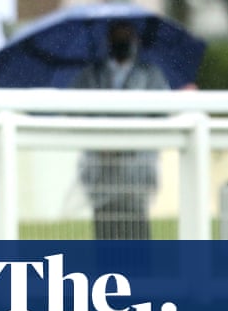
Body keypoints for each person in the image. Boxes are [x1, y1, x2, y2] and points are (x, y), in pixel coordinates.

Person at [70, 20, 170, 240]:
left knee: (136, 235)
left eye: (127, 36)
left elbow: (162, 115)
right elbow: (77, 113)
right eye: (118, 36)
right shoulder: (91, 76)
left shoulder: (151, 75)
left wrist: (130, 141)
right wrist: (101, 140)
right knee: (105, 231)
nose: (122, 42)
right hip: (101, 170)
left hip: (137, 170)